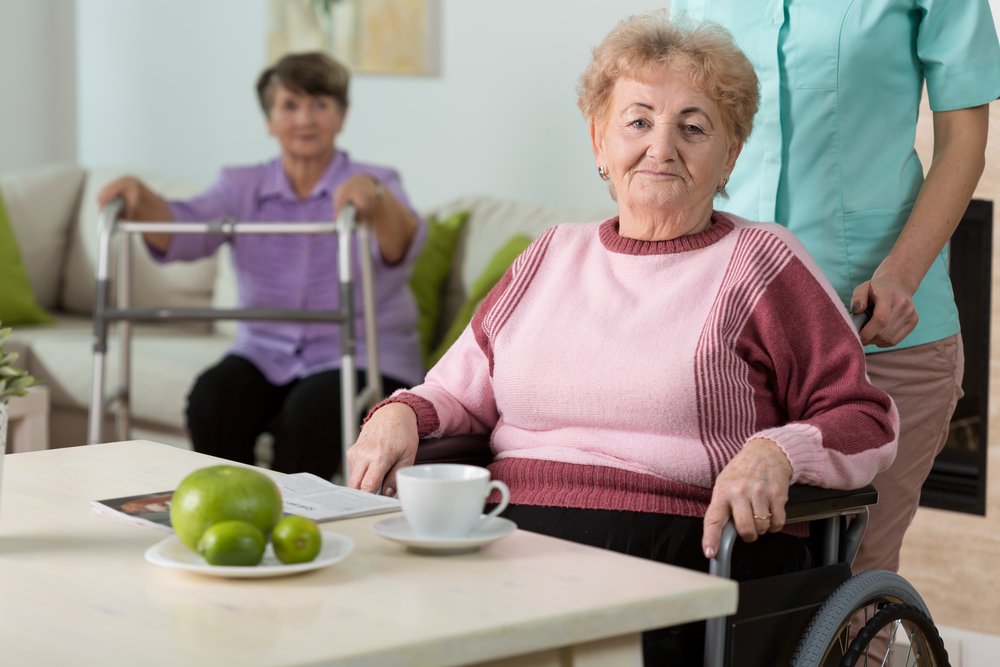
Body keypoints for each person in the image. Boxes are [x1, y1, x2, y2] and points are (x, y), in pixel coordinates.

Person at [347, 15, 898, 663]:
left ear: (732, 154)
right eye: (638, 121)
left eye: (693, 127)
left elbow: (865, 417)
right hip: (506, 534)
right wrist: (398, 413)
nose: (661, 147)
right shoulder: (552, 252)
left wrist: (776, 453)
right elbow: (455, 388)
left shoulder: (762, 261)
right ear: (599, 141)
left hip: (675, 549)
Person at [669, 0, 1000, 602]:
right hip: (731, 333)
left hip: (880, 334)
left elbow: (964, 141)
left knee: (849, 590)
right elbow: (686, 126)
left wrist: (899, 273)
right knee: (724, 570)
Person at [98, 52, 426, 480]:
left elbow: (402, 244)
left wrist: (373, 195)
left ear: (341, 117)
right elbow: (182, 231)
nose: (305, 119)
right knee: (211, 399)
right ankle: (231, 513)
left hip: (360, 352)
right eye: (290, 106)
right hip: (264, 351)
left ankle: (299, 523)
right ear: (270, 121)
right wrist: (141, 198)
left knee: (312, 413)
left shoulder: (377, 178)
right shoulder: (240, 186)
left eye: (321, 105)